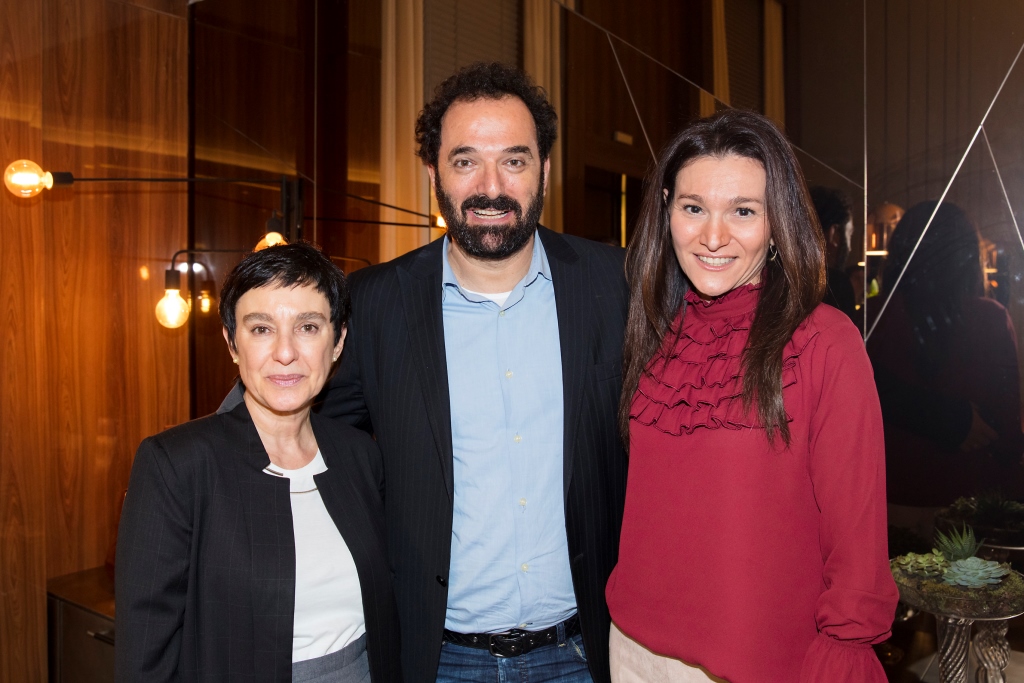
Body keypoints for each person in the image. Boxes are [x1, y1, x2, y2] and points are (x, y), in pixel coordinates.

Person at [319, 62, 629, 682]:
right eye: (466, 162)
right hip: (437, 659)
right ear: (433, 172)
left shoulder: (617, 285)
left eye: (514, 160)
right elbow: (296, 432)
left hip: (584, 652)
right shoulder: (373, 304)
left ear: (545, 168)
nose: (491, 186)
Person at [604, 109, 897, 682]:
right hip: (632, 652)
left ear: (777, 219)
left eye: (743, 211)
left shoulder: (825, 342)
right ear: (667, 208)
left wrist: (843, 650)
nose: (713, 237)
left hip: (759, 667)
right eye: (693, 209)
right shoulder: (655, 331)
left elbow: (858, 545)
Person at [116, 243, 401, 682]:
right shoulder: (177, 465)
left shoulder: (359, 455)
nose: (285, 353)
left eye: (308, 327)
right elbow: (145, 656)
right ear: (232, 343)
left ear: (338, 340)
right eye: (261, 329)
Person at [867, 201, 1024, 533]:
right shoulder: (990, 319)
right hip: (969, 512)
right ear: (967, 257)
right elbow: (1007, 434)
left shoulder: (873, 317)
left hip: (888, 505)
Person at [809, 185, 858, 321]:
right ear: (834, 234)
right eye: (849, 234)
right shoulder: (837, 286)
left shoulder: (781, 277)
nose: (850, 248)